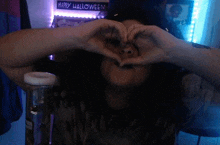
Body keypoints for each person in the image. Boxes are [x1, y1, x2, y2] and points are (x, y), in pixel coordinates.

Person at [0, 0, 220, 144]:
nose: (126, 49)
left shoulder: (177, 97)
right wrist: (76, 36)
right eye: (116, 42)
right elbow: (5, 55)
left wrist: (174, 49)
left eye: (139, 46)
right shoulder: (65, 89)